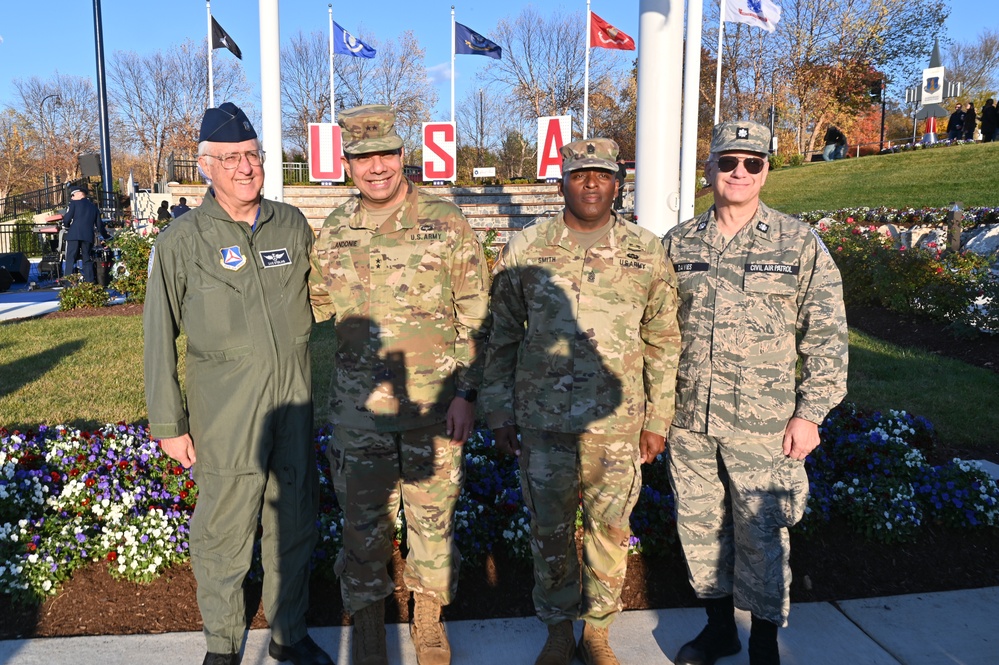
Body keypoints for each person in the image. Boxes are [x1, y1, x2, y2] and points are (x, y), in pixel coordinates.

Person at [143, 102, 334, 665]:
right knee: (223, 537)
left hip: (293, 408)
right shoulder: (183, 240)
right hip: (227, 418)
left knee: (294, 524)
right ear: (205, 167)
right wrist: (168, 425)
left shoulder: (290, 224)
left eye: (252, 155)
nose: (245, 168)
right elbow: (158, 337)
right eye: (230, 159)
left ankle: (288, 634)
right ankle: (223, 648)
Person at [481, 139, 681, 665]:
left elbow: (663, 339)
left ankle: (596, 631)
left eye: (602, 174)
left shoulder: (646, 250)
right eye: (579, 174)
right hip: (542, 424)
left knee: (609, 530)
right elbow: (499, 334)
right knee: (548, 530)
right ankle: (555, 627)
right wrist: (497, 409)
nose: (591, 183)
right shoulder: (526, 248)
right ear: (560, 182)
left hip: (616, 426)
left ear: (619, 183)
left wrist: (658, 417)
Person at [308, 104, 490, 665]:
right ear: (347, 164)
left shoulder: (445, 221)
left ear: (403, 155)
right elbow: (316, 305)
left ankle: (428, 621)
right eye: (363, 157)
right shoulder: (336, 229)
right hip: (358, 416)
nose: (377, 167)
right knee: (363, 528)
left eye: (385, 153)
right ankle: (367, 626)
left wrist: (466, 393)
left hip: (435, 411)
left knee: (431, 525)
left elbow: (477, 315)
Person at [662, 121, 848, 665]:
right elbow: (656, 328)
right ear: (710, 168)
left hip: (765, 423)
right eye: (727, 162)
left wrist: (810, 413)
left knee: (762, 532)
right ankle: (719, 629)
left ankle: (765, 642)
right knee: (699, 526)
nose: (738, 172)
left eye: (752, 163)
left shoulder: (797, 242)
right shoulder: (679, 243)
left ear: (767, 170)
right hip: (689, 416)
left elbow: (827, 333)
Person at [61, 184, 107, 283]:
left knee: (70, 259)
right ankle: (90, 282)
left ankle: (68, 283)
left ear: (78, 195)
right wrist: (107, 236)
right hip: (88, 236)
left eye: (73, 195)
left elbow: (66, 219)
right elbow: (99, 225)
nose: (72, 198)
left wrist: (67, 226)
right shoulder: (93, 207)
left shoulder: (73, 204)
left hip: (74, 235)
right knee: (87, 259)